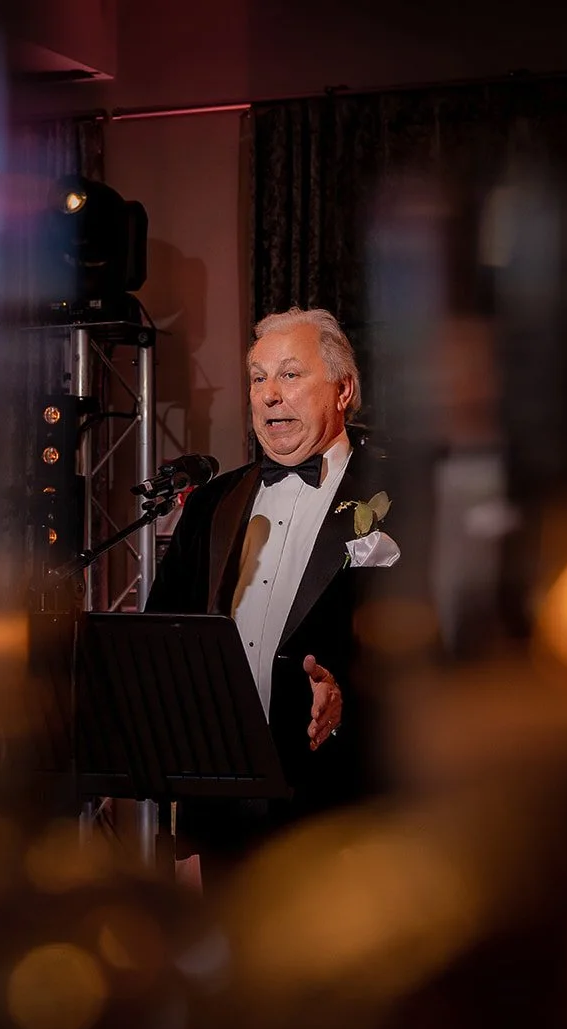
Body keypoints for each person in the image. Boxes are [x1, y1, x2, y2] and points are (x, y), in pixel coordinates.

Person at [146, 307, 408, 883]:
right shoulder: (211, 506)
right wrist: (185, 834)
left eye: (290, 375)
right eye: (258, 378)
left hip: (345, 819)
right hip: (225, 823)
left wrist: (349, 700)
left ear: (343, 389)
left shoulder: (402, 501)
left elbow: (434, 666)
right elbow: (168, 657)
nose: (268, 396)